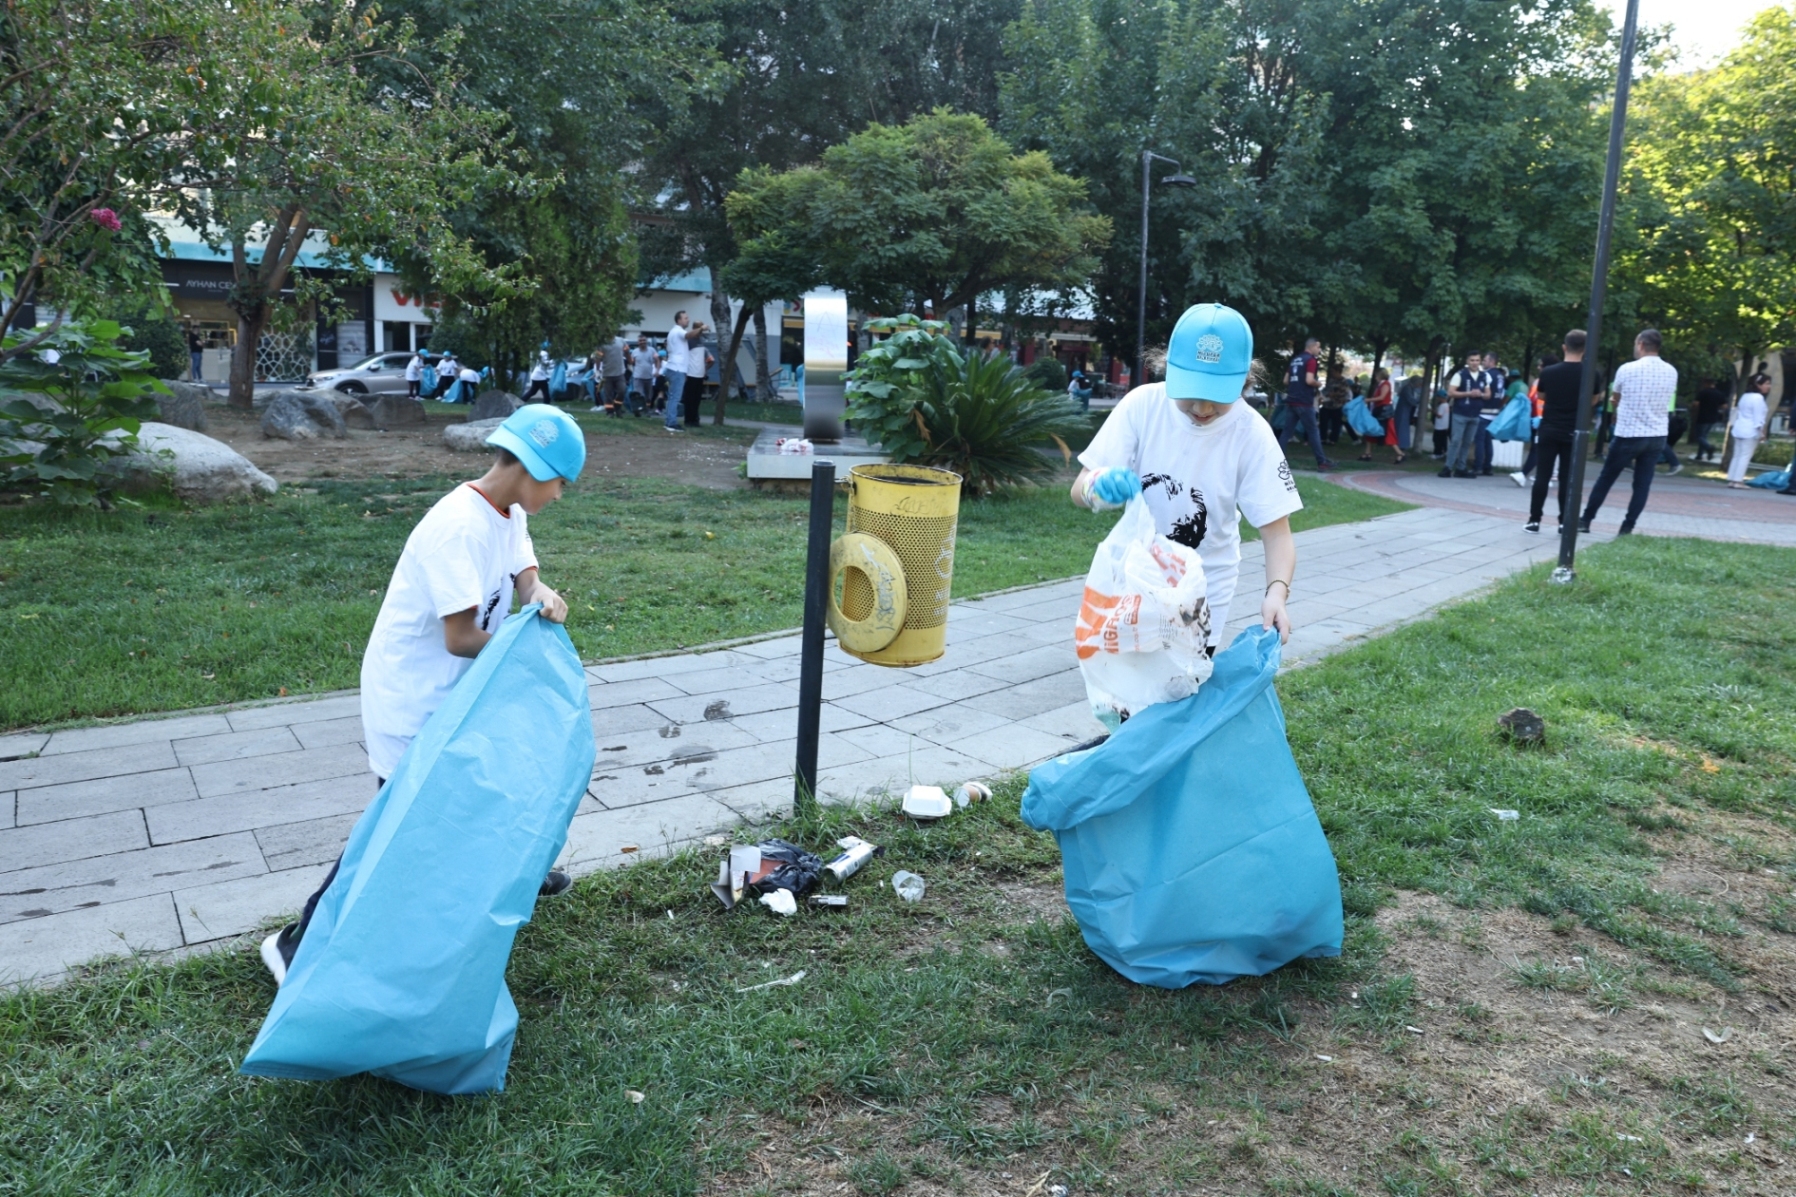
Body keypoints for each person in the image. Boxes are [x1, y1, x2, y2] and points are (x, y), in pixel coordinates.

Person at [260, 404, 586, 985]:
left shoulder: (506, 510)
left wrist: (541, 592)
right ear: (535, 471)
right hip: (411, 700)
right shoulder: (456, 525)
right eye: (562, 483)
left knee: (492, 785)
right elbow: (460, 637)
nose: (561, 496)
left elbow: (524, 572)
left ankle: (516, 869)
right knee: (396, 835)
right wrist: (525, 653)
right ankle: (296, 941)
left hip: (456, 696)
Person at [1072, 302, 1301, 658]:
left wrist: (1277, 593)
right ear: (1169, 370)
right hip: (1133, 581)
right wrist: (1095, 485)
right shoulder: (1142, 406)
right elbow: (1079, 487)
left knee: (1181, 697)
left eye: (1218, 398)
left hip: (1203, 590)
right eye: (1191, 394)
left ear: (1245, 381)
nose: (1203, 408)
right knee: (1126, 702)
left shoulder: (1251, 433)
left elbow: (1277, 532)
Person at [1578, 328, 1677, 535]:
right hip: (1657, 434)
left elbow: (1616, 398)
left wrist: (1616, 407)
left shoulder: (1626, 369)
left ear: (1641, 344)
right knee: (1642, 484)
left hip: (1629, 434)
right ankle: (1627, 526)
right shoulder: (1671, 371)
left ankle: (1586, 519)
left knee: (1606, 478)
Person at [1525, 331, 1603, 532]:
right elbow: (1594, 399)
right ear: (1586, 349)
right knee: (1567, 478)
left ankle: (1534, 520)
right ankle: (1563, 522)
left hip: (1549, 427)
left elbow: (1542, 395)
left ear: (1564, 347)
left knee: (1543, 475)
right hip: (1574, 431)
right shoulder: (1591, 373)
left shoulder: (1549, 372)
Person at [1278, 336, 1334, 471]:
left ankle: (1276, 460)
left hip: (1292, 400)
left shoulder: (1295, 360)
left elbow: (1285, 381)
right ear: (1312, 347)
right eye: (1318, 347)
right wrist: (1318, 383)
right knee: (1313, 432)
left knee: (1286, 433)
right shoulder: (1311, 360)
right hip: (1304, 402)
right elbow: (1309, 380)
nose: (1319, 350)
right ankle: (1322, 462)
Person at [1441, 354, 1488, 478]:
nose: (1474, 363)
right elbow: (1451, 392)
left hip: (1475, 414)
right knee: (1456, 440)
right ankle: (1448, 467)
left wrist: (1480, 394)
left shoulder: (1484, 376)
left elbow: (1488, 394)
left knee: (1468, 442)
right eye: (1472, 360)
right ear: (1467, 361)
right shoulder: (1460, 374)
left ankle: (1461, 468)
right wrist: (1468, 393)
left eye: (1477, 360)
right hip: (1460, 413)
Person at [1725, 373, 1769, 489]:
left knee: (1737, 455)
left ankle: (1732, 479)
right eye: (1766, 384)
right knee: (1745, 456)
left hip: (1739, 428)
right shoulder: (1758, 398)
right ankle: (1738, 480)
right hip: (1750, 430)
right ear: (1758, 385)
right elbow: (1758, 418)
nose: (1768, 387)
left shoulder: (1745, 396)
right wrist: (1762, 433)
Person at [1356, 367, 1404, 464]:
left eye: (1376, 375)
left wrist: (1368, 400)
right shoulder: (1381, 385)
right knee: (1370, 430)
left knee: (1387, 433)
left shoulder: (1385, 384)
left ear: (1380, 375)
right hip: (1379, 411)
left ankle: (1400, 453)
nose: (1375, 377)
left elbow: (1381, 397)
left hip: (1384, 413)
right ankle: (1368, 452)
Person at [1474, 351, 1506, 476]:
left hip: (1483, 412)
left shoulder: (1486, 375)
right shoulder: (1500, 376)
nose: (1483, 362)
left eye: (1485, 360)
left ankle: (1478, 466)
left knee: (1480, 441)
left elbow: (1483, 391)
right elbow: (1502, 394)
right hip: (1494, 413)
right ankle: (1487, 467)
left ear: (1492, 361)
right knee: (1488, 441)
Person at [664, 311, 691, 431]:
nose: (688, 320)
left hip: (674, 368)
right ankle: (671, 422)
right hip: (677, 368)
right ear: (679, 320)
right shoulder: (678, 331)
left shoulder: (673, 332)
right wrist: (701, 329)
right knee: (675, 397)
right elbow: (689, 335)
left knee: (672, 397)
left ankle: (669, 421)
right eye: (685, 318)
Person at [684, 320, 712, 427]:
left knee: (696, 399)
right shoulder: (689, 340)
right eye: (700, 328)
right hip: (691, 373)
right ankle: (688, 420)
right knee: (689, 398)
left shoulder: (701, 340)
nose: (702, 330)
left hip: (700, 373)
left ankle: (695, 419)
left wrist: (704, 369)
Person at [1692, 378, 1727, 462]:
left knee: (1699, 437)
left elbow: (1696, 404)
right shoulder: (1719, 394)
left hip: (1702, 416)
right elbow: (1725, 406)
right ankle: (1700, 455)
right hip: (1713, 417)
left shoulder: (1703, 393)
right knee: (1704, 436)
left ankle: (1708, 447)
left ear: (1707, 383)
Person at [595, 332, 629, 415]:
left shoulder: (621, 341)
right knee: (608, 395)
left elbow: (627, 352)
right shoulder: (602, 343)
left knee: (622, 391)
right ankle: (610, 412)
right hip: (607, 373)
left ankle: (617, 407)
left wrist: (630, 362)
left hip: (620, 372)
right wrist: (597, 370)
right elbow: (597, 357)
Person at [1394, 371, 1425, 453]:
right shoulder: (1407, 388)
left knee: (1403, 429)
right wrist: (1420, 400)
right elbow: (1411, 400)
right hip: (1402, 412)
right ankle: (1401, 446)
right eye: (1419, 384)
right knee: (1402, 429)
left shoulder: (1409, 388)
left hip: (1405, 411)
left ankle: (1402, 445)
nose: (1419, 386)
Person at [628, 334, 657, 415]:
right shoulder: (634, 352)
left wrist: (657, 370)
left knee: (648, 396)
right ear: (638, 342)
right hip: (638, 377)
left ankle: (647, 410)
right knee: (639, 395)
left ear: (646, 341)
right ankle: (637, 410)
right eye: (640, 341)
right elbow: (631, 363)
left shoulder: (652, 350)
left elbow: (657, 359)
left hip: (649, 377)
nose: (642, 342)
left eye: (644, 340)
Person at [1431, 389, 1451, 458]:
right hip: (1445, 426)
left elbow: (1439, 415)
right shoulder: (1447, 405)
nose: (1437, 398)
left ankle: (1437, 453)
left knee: (1437, 440)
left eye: (1438, 397)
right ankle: (1444, 451)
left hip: (1439, 426)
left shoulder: (1442, 406)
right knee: (1443, 440)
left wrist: (1434, 412)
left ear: (1441, 397)